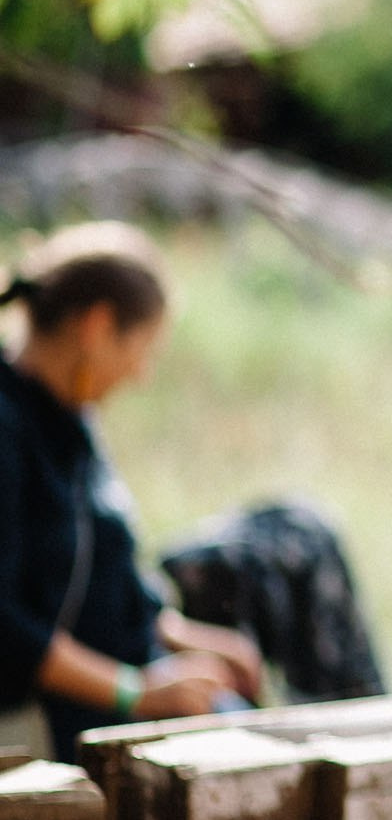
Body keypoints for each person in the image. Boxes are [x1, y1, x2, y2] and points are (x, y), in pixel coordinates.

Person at [1, 224, 266, 755]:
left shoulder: (71, 417)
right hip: (70, 704)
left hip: (130, 670)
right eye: (143, 349)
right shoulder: (7, 428)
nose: (142, 375)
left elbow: (104, 582)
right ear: (98, 327)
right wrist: (138, 692)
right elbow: (6, 626)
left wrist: (191, 638)